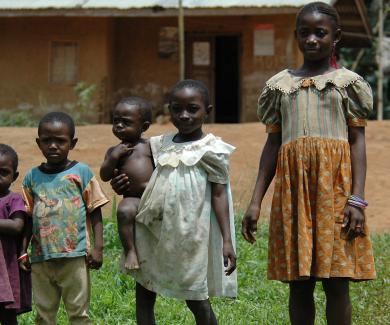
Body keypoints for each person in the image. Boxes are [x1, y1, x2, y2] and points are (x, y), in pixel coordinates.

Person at [242, 2, 376, 325]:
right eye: (305, 33)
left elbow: (357, 142)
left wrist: (356, 200)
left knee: (336, 282)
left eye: (321, 33)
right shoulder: (280, 86)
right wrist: (255, 202)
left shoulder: (346, 83)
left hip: (335, 194)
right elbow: (272, 145)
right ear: (296, 36)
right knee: (298, 286)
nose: (312, 39)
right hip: (294, 197)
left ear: (336, 36)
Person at [111, 79, 237, 325]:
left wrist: (227, 241)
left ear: (207, 111)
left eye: (193, 109)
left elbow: (220, 195)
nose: (184, 115)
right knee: (145, 288)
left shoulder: (212, 149)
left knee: (195, 295)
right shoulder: (159, 145)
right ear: (168, 110)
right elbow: (144, 177)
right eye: (177, 109)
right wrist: (121, 183)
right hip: (154, 229)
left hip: (191, 233)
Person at [20, 112, 109, 325]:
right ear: (38, 142)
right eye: (47, 141)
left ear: (72, 143)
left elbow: (95, 210)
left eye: (60, 141)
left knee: (78, 313)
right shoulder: (32, 177)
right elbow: (28, 217)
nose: (53, 146)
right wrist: (23, 251)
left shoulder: (81, 172)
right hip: (41, 258)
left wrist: (98, 248)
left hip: (75, 256)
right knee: (44, 314)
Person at [100, 97, 154, 271]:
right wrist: (114, 157)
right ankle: (130, 251)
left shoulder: (151, 146)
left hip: (155, 196)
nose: (119, 126)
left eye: (126, 122)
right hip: (132, 198)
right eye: (116, 121)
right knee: (124, 211)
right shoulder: (113, 151)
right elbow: (105, 175)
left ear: (144, 127)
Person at [0, 144, 31, 325]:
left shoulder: (14, 199)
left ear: (15, 176)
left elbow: (17, 226)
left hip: (6, 265)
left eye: (3, 172)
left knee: (7, 314)